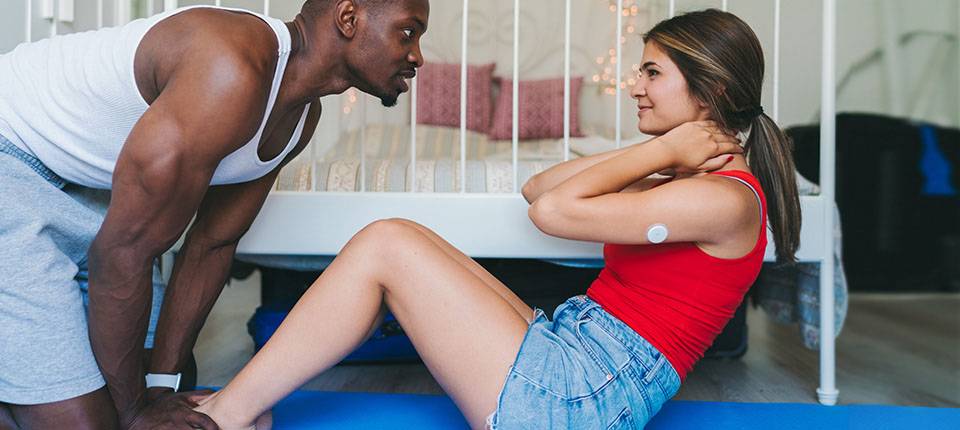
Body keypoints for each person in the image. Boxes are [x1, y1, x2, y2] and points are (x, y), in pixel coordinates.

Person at [191, 8, 800, 429]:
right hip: (574, 353)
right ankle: (240, 404)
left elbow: (552, 213)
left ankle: (227, 413)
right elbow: (540, 186)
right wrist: (665, 153)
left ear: (712, 91)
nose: (634, 86)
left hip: (578, 402)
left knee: (386, 243)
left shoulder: (723, 200)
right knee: (407, 237)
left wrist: (662, 150)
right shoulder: (688, 181)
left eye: (652, 72)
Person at [0, 0, 429, 428]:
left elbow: (212, 244)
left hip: (93, 194)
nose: (418, 57)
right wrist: (136, 412)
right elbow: (122, 253)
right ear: (349, 18)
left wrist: (159, 389)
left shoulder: (300, 118)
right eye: (409, 32)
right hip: (13, 164)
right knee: (94, 422)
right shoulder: (230, 66)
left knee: (173, 383)